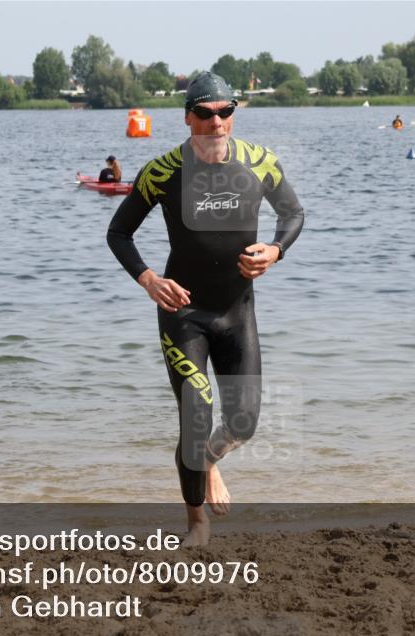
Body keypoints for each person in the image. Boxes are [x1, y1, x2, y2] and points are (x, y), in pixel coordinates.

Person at [107, 72, 304, 546]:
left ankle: (211, 460)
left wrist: (276, 250)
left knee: (244, 424)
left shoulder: (261, 163)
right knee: (195, 417)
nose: (215, 121)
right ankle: (197, 523)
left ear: (234, 114)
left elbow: (293, 214)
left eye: (224, 111)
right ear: (188, 118)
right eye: (204, 113)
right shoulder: (163, 171)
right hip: (184, 314)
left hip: (237, 313)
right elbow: (119, 232)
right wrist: (149, 279)